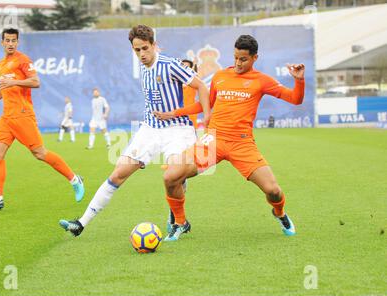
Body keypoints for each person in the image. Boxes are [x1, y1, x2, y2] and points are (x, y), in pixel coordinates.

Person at [59, 25, 210, 239]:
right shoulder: (144, 66)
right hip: (150, 129)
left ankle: (178, 221)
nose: (141, 54)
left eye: (145, 49)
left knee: (174, 176)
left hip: (178, 129)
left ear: (154, 45)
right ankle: (81, 223)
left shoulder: (170, 65)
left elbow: (202, 87)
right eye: (137, 50)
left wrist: (208, 117)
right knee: (118, 174)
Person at [154, 34, 305, 239]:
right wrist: (173, 113)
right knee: (170, 176)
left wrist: (299, 81)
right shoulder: (220, 77)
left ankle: (279, 213)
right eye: (235, 57)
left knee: (274, 191)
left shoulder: (261, 81)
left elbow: (295, 99)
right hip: (214, 140)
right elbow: (204, 104)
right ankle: (180, 223)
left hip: (242, 144)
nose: (238, 63)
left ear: (254, 58)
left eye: (243, 59)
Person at [0, 28, 85, 211]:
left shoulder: (23, 60)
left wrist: (15, 82)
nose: (10, 43)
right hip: (7, 117)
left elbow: (36, 82)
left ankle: (74, 179)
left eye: (14, 40)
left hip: (22, 114)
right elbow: (4, 87)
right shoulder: (2, 63)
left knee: (40, 153)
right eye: (7, 40)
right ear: (2, 42)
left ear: (17, 42)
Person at [181, 59, 199, 130]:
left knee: (192, 137)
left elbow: (195, 75)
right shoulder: (175, 82)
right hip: (178, 114)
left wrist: (195, 65)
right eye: (182, 66)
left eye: (186, 67)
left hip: (190, 114)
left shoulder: (193, 81)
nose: (184, 68)